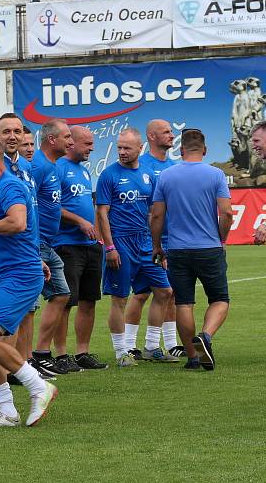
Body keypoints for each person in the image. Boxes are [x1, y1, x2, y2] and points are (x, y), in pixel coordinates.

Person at [0, 136, 57, 428]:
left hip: (19, 276)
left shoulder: (8, 185)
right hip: (11, 272)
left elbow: (18, 222)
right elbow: (25, 230)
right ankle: (6, 410)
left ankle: (38, 386)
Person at [151, 128, 233, 371]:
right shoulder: (216, 175)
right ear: (205, 150)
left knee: (183, 304)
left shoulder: (166, 176)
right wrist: (222, 238)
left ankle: (193, 357)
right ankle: (205, 337)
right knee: (219, 299)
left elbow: (156, 215)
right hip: (208, 248)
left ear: (181, 149)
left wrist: (157, 246)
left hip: (177, 249)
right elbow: (226, 212)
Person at [95, 128, 173, 367]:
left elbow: (153, 213)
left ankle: (151, 347)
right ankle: (122, 352)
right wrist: (110, 247)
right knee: (120, 298)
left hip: (145, 243)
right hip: (121, 242)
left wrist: (156, 245)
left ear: (140, 148)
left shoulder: (149, 175)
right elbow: (101, 213)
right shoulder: (108, 175)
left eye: (127, 148)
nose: (122, 152)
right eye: (119, 147)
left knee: (164, 291)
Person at [124, 119, 181, 359]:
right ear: (151, 137)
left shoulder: (176, 166)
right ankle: (129, 346)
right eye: (166, 132)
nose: (171, 135)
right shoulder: (142, 166)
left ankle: (168, 343)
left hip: (173, 239)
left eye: (171, 131)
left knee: (170, 292)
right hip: (148, 242)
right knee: (141, 293)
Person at [53, 126, 107, 370]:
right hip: (67, 244)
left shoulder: (84, 172)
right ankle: (61, 354)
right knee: (65, 302)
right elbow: (52, 208)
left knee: (89, 300)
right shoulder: (58, 169)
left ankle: (82, 352)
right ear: (70, 142)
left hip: (90, 245)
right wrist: (80, 222)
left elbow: (88, 205)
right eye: (87, 143)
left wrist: (98, 236)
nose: (92, 148)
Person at [0, 114, 41, 380]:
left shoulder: (25, 166)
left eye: (16, 132)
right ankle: (1, 373)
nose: (12, 136)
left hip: (28, 250)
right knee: (1, 319)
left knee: (25, 312)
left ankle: (18, 367)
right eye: (6, 132)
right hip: (5, 255)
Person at [30, 119, 75, 376]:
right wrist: (33, 245)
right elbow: (28, 204)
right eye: (67, 137)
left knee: (61, 294)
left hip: (48, 244)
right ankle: (25, 359)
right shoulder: (38, 166)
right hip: (37, 246)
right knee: (29, 306)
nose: (71, 142)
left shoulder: (53, 166)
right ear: (51, 140)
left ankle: (41, 353)